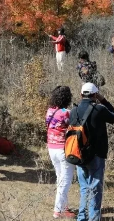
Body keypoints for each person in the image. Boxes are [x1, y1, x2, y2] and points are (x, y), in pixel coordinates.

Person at [71, 83, 114, 221]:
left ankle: (82, 217)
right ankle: (93, 218)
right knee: (95, 188)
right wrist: (103, 100)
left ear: (81, 95)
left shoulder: (74, 110)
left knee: (84, 188)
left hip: (79, 155)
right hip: (96, 155)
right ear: (95, 95)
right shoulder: (99, 109)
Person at [46, 86, 76, 219]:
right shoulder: (66, 112)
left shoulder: (50, 111)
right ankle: (58, 210)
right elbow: (73, 126)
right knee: (66, 180)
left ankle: (64, 207)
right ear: (67, 98)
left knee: (60, 178)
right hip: (63, 149)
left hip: (51, 148)